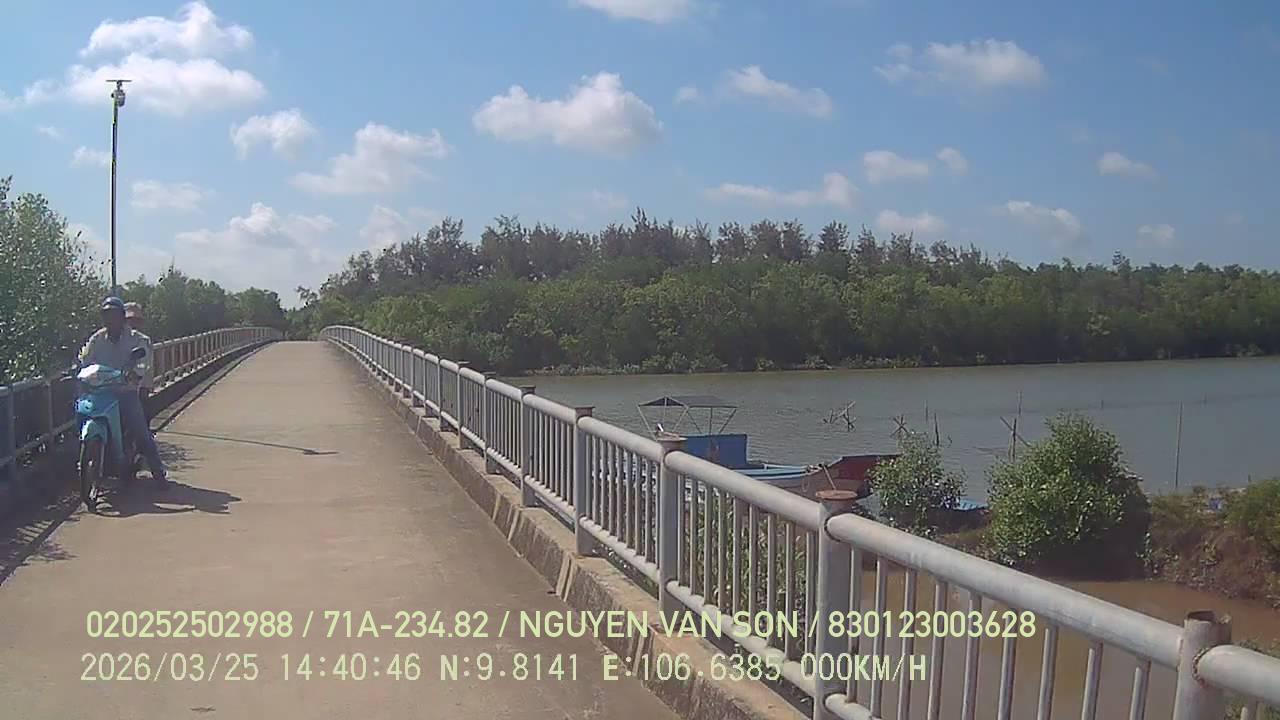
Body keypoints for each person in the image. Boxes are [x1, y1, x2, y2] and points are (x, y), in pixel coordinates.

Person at [78, 297, 169, 488]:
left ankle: (158, 472)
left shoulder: (137, 339)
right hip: (101, 393)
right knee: (81, 414)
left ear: (121, 317)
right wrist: (78, 370)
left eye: (113, 315)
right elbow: (85, 359)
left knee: (141, 431)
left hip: (125, 393)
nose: (110, 319)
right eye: (106, 315)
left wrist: (136, 374)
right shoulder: (97, 339)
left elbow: (143, 362)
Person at [123, 302, 155, 421]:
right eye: (129, 320)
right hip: (119, 386)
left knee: (141, 419)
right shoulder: (116, 339)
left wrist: (135, 374)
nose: (132, 323)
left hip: (140, 388)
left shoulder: (143, 340)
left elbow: (144, 363)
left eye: (136, 320)